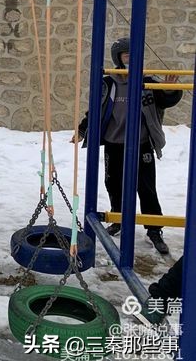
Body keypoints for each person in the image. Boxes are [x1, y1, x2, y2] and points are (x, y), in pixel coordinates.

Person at [74, 37, 182, 255]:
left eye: (133, 56)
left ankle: (154, 230)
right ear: (118, 59)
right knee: (114, 184)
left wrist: (171, 89)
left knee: (146, 187)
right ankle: (118, 218)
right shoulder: (109, 83)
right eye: (126, 56)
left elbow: (165, 99)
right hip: (115, 144)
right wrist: (84, 128)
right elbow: (95, 108)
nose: (130, 60)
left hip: (141, 145)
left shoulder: (146, 80)